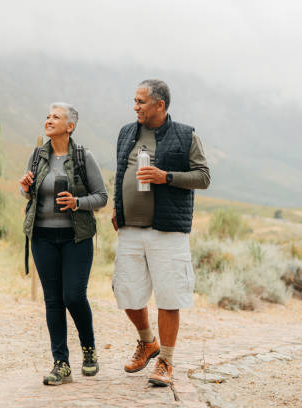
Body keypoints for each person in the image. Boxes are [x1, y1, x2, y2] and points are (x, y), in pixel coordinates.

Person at [111, 79, 210, 387]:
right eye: (135, 100)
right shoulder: (127, 132)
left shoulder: (185, 134)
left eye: (141, 101)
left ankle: (165, 360)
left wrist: (165, 177)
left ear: (160, 105)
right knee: (125, 291)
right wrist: (118, 207)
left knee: (169, 297)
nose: (135, 106)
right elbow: (120, 173)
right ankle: (147, 342)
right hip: (130, 230)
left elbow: (203, 177)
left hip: (168, 231)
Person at [19, 102, 108, 385]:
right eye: (47, 116)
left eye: (55, 117)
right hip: (42, 237)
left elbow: (102, 197)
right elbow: (29, 194)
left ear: (70, 126)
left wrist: (77, 202)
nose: (48, 120)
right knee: (53, 300)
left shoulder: (83, 157)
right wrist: (24, 188)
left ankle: (89, 349)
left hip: (76, 238)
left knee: (74, 296)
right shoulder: (37, 156)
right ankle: (61, 364)